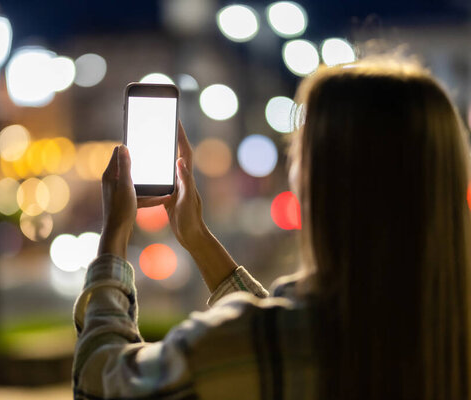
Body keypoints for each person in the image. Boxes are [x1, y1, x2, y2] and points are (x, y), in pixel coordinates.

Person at [72, 59, 471, 400]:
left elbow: (102, 382)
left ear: (322, 181)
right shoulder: (446, 339)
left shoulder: (260, 342)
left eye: (297, 149)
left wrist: (114, 238)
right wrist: (197, 238)